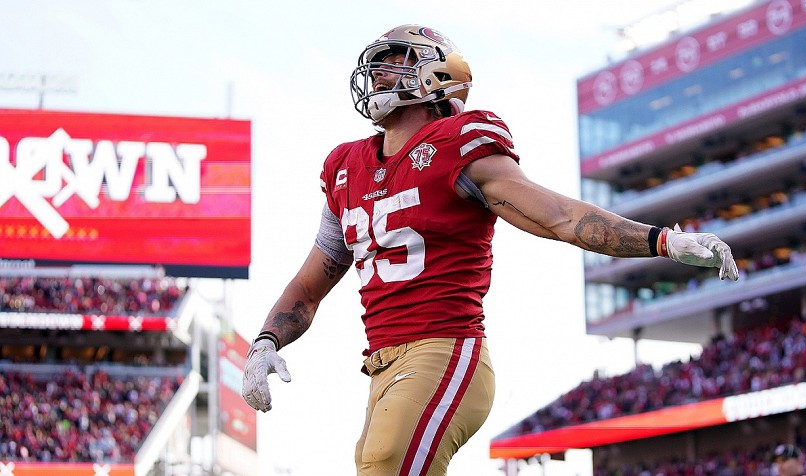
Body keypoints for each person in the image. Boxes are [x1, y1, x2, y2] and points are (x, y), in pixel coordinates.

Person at [241, 24, 740, 476]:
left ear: (438, 75)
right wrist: (266, 340)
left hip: (444, 349)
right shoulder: (344, 167)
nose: (378, 71)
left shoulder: (461, 142)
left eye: (396, 58)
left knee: (385, 466)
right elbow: (311, 282)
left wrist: (662, 239)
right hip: (381, 366)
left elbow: (559, 217)